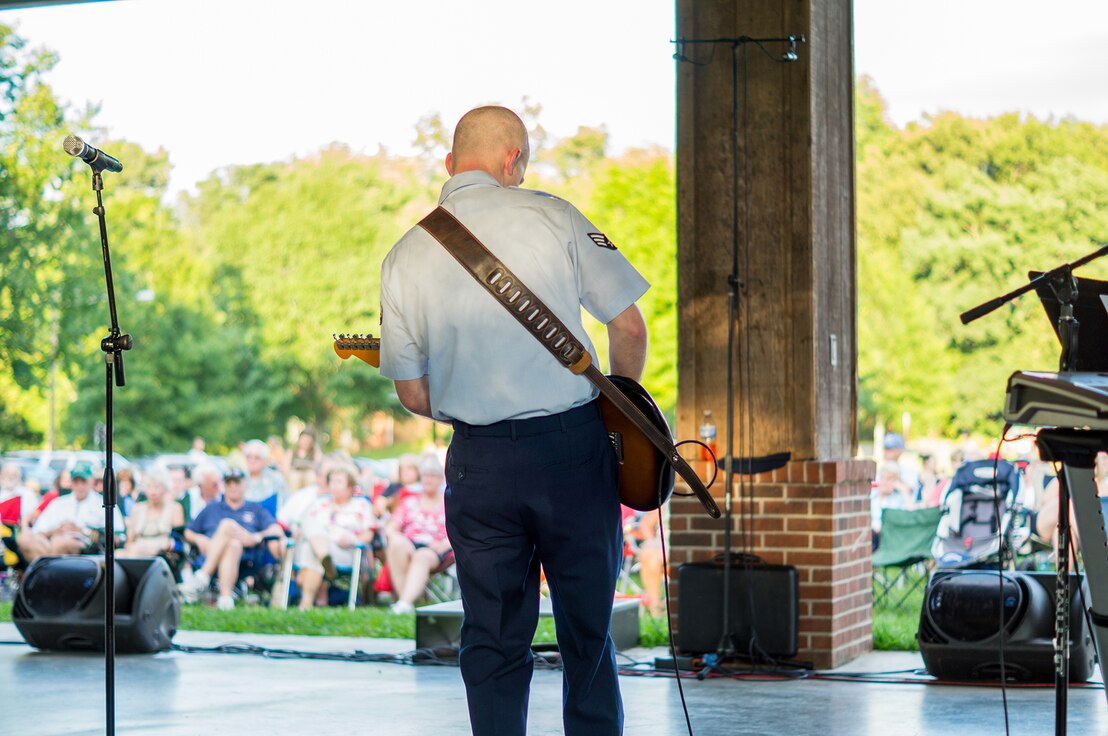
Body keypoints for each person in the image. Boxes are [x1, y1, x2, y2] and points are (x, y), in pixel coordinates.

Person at [380, 105, 649, 736]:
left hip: (479, 465)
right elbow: (628, 324)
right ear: (514, 161)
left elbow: (414, 396)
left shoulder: (405, 253)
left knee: (493, 633)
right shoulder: (553, 215)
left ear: (449, 165)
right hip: (572, 453)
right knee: (587, 629)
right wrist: (623, 410)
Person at [183, 468, 284, 610]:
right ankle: (225, 599)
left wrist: (255, 537)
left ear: (245, 485)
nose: (233, 487)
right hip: (210, 552)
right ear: (224, 486)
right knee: (231, 538)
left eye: (237, 483)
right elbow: (188, 532)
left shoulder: (255, 509)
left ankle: (202, 577)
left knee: (229, 531)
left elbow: (276, 530)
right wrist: (199, 538)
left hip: (246, 558)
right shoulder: (212, 508)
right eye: (229, 483)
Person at [293, 464, 376, 610]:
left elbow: (369, 534)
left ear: (350, 487)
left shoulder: (361, 505)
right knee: (310, 528)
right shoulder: (319, 503)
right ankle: (324, 559)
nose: (334, 485)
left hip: (345, 551)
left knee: (309, 549)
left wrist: (353, 540)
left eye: (339, 481)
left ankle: (307, 603)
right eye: (331, 481)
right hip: (320, 546)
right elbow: (301, 526)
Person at [383, 455, 451, 614]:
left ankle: (404, 604)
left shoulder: (448, 503)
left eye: (433, 476)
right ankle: (404, 601)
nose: (428, 480)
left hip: (435, 548)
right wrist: (394, 536)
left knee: (422, 556)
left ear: (441, 480)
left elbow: (460, 531)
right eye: (426, 476)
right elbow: (391, 527)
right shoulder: (410, 502)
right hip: (410, 543)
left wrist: (445, 544)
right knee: (397, 543)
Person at [18, 464, 125, 562]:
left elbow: (116, 536)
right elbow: (39, 530)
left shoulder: (103, 504)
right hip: (52, 540)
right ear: (71, 483)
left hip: (86, 545)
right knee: (24, 539)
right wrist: (56, 530)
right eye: (76, 482)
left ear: (91, 482)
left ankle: (46, 571)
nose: (80, 486)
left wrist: (80, 530)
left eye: (83, 482)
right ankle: (48, 570)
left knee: (60, 543)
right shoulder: (59, 503)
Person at [119, 468, 185, 558]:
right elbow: (130, 540)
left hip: (163, 553)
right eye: (149, 487)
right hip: (137, 550)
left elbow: (179, 541)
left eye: (157, 487)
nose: (153, 492)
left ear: (165, 489)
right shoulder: (137, 508)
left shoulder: (175, 508)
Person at [284, 428, 322, 493]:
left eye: (308, 441)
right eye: (304, 440)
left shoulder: (315, 453)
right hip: (294, 479)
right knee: (294, 477)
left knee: (310, 475)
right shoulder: (291, 452)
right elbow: (286, 469)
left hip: (309, 479)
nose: (305, 443)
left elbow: (319, 467)